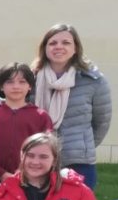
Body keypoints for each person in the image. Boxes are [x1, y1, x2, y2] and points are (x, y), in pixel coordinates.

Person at [31, 23, 111, 190]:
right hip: (37, 160)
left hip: (79, 161)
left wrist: (82, 145)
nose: (58, 47)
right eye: (53, 43)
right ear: (44, 48)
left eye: (66, 43)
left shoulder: (93, 81)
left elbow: (102, 122)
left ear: (76, 48)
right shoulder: (31, 79)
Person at [0, 64, 53, 199]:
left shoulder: (41, 116)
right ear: (0, 86)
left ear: (30, 86)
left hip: (28, 182)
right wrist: (1, 174)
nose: (16, 86)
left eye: (22, 82)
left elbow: (46, 151)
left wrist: (23, 174)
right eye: (9, 82)